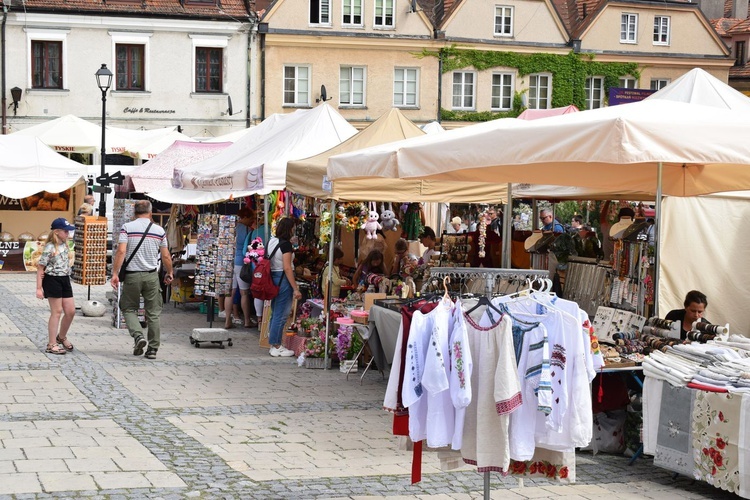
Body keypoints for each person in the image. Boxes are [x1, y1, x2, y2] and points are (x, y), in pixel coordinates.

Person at [111, 200, 173, 360]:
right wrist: (170, 272)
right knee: (153, 313)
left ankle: (138, 336)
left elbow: (121, 251)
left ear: (134, 212)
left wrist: (115, 273)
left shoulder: (127, 228)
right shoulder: (159, 230)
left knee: (128, 307)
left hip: (132, 275)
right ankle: (152, 349)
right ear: (150, 212)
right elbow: (165, 255)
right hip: (152, 276)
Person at [36, 218, 77, 355]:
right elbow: (40, 268)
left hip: (65, 279)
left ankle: (62, 337)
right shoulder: (49, 247)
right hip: (52, 279)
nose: (68, 234)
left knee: (70, 311)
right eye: (65, 231)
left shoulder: (65, 244)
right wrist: (39, 288)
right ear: (57, 232)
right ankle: (51, 344)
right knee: (57, 312)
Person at [267, 217, 302, 357]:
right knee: (281, 314)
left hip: (273, 277)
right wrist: (295, 288)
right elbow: (287, 268)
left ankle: (274, 343)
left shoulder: (271, 241)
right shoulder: (286, 245)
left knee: (275, 312)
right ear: (289, 229)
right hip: (283, 279)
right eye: (293, 227)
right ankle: (276, 345)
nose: (294, 230)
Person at [224, 207, 257, 329]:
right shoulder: (249, 230)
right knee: (244, 293)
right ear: (245, 217)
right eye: (251, 218)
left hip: (228, 261)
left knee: (230, 292)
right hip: (240, 262)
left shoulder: (232, 228)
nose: (252, 221)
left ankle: (227, 320)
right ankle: (247, 321)